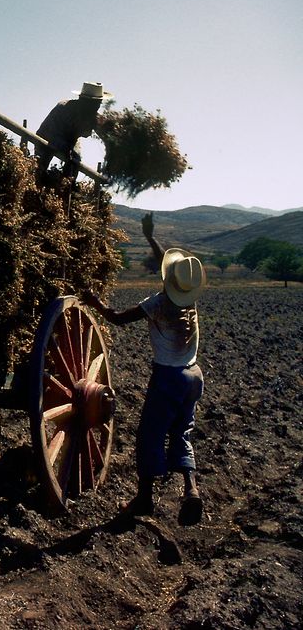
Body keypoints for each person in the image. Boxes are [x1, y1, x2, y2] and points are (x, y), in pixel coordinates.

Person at [81, 213, 206, 525]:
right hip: (193, 376)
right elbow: (171, 270)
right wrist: (150, 238)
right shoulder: (189, 302)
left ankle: (144, 500)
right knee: (182, 432)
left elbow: (119, 318)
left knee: (150, 435)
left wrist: (93, 302)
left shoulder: (159, 303)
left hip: (168, 378)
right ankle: (191, 490)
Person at [35, 81, 112, 186]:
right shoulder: (65, 107)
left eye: (99, 103)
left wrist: (113, 148)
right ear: (85, 101)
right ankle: (36, 184)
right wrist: (67, 149)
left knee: (75, 161)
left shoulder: (93, 116)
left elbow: (106, 137)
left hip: (70, 141)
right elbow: (51, 133)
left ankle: (66, 188)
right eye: (96, 103)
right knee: (39, 166)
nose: (98, 106)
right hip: (49, 135)